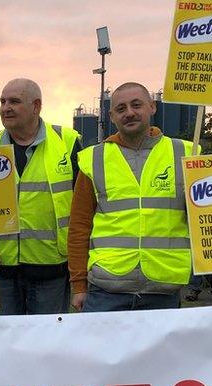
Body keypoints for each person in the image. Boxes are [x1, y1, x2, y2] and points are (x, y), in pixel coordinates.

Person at [68, 82, 193, 312]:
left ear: (152, 107)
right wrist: (78, 286)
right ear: (111, 115)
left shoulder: (185, 153)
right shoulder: (93, 159)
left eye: (136, 105)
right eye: (121, 108)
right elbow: (79, 227)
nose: (129, 113)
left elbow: (204, 222)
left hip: (163, 290)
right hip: (106, 290)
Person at [0, 78, 82, 315]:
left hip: (52, 269)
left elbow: (84, 209)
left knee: (47, 344)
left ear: (36, 106)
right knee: (3, 343)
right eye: (2, 101)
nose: (5, 107)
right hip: (0, 271)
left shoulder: (67, 143)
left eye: (14, 101)